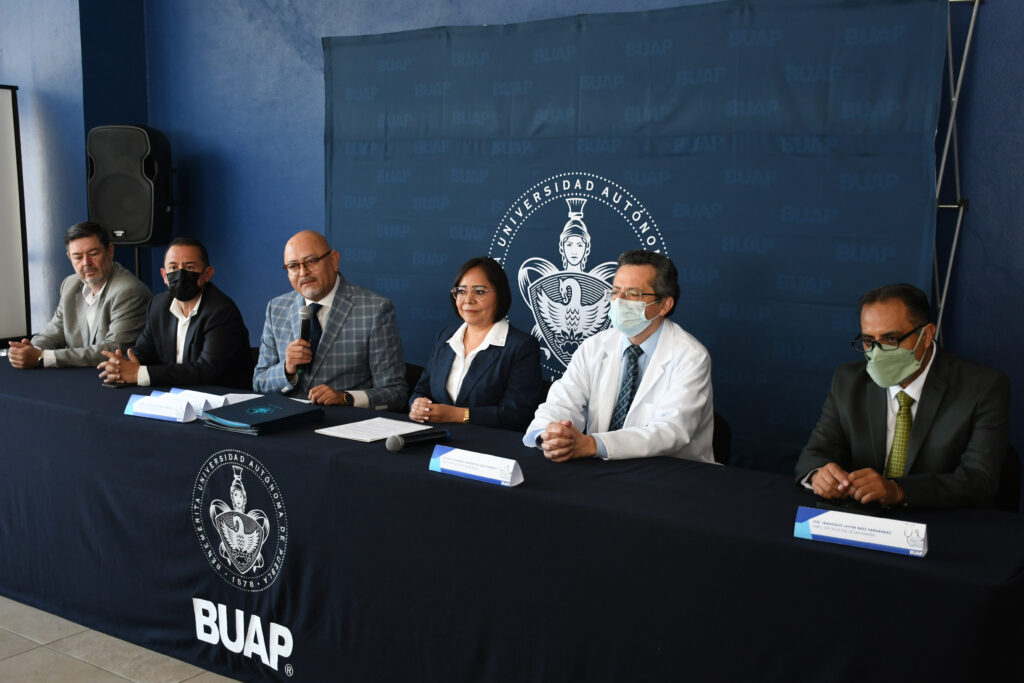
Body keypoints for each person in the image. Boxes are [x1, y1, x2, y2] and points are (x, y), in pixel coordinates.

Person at [795, 283, 1010, 509]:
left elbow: (979, 480)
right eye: (869, 341)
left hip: (940, 523)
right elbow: (815, 454)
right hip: (861, 521)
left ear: (926, 336)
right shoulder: (848, 381)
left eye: (891, 339)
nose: (877, 353)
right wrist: (819, 475)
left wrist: (898, 490)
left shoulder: (983, 387)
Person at [522, 249, 714, 462]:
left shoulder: (691, 356)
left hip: (670, 475)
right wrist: (550, 435)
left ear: (664, 305)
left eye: (633, 294)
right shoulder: (595, 346)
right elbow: (561, 402)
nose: (619, 301)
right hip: (603, 469)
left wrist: (593, 444)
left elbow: (671, 431)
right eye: (615, 291)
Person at [253, 230, 406, 409]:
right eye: (293, 266)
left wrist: (345, 398)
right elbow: (259, 383)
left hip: (343, 425)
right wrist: (287, 369)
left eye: (311, 262)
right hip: (286, 422)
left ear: (334, 260)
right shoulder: (276, 308)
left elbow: (396, 393)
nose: (303, 273)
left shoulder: (375, 310)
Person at [95, 237, 253, 389]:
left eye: (190, 267)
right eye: (173, 268)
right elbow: (143, 351)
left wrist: (139, 374)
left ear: (207, 274)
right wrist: (121, 365)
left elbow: (207, 370)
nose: (180, 275)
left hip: (222, 399)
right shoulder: (158, 305)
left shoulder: (221, 311)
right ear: (164, 275)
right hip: (175, 395)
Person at [409, 256, 542, 431]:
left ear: (500, 295)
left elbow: (517, 414)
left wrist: (457, 415)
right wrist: (418, 404)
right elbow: (422, 389)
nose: (468, 299)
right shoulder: (446, 336)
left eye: (479, 292)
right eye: (462, 291)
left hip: (490, 447)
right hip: (435, 440)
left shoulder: (522, 346)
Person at [8, 221, 150, 369]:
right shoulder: (70, 284)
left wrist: (42, 357)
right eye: (78, 257)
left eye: (93, 254)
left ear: (110, 251)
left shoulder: (128, 291)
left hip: (116, 379)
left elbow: (113, 350)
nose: (86, 263)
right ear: (69, 257)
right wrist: (30, 348)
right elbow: (55, 331)